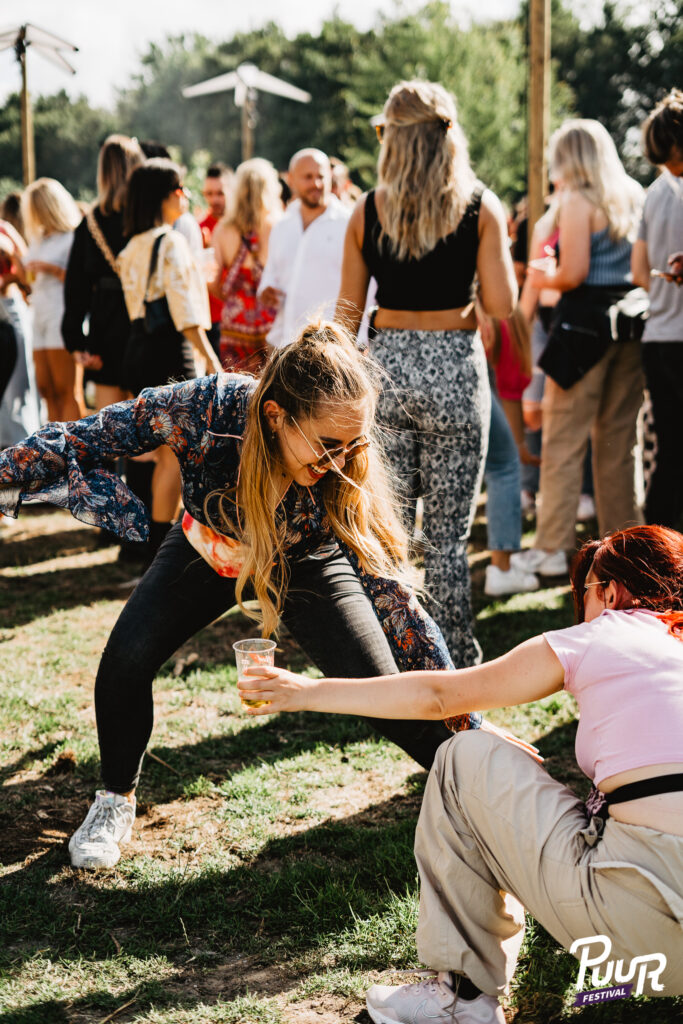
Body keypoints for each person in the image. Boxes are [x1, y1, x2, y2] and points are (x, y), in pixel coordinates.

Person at [0, 321, 464, 870]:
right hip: (208, 549)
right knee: (124, 661)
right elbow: (88, 436)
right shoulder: (208, 408)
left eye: (353, 445)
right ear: (276, 415)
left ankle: (474, 790)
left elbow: (396, 605)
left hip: (306, 561)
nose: (341, 462)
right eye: (328, 446)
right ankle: (113, 800)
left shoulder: (344, 471)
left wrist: (467, 723)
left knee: (383, 690)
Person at [240, 524, 683, 1016]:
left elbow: (439, 696)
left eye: (584, 594)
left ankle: (463, 998)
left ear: (611, 591)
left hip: (651, 927)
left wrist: (303, 693)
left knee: (461, 758)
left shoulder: (605, 633)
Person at [335, 80, 517, 665]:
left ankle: (392, 662)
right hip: (456, 373)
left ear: (392, 138)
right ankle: (454, 665)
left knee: (387, 535)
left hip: (387, 372)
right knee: (447, 543)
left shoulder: (368, 209)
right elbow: (503, 302)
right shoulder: (481, 206)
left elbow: (346, 314)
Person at [518, 119, 645, 578]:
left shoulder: (576, 200)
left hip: (582, 329)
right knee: (618, 441)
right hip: (631, 325)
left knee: (564, 439)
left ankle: (552, 546)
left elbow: (572, 274)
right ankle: (628, 545)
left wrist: (537, 277)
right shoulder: (633, 193)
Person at [118, 157, 222, 556]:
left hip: (139, 349)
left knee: (155, 452)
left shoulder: (131, 246)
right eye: (181, 190)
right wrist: (209, 357)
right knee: (174, 457)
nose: (185, 197)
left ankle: (146, 541)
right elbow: (186, 313)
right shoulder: (171, 242)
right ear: (165, 196)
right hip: (171, 354)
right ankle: (161, 549)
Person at [631, 89, 683, 529]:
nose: (670, 169)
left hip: (658, 336)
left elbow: (638, 270)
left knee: (668, 452)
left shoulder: (653, 195)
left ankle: (661, 548)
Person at [62, 134, 144, 412]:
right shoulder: (146, 218)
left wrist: (76, 340)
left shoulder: (91, 222)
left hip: (104, 323)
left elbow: (76, 286)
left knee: (109, 426)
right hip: (142, 321)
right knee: (148, 422)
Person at [259, 148, 349, 349]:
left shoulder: (347, 224)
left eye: (321, 177)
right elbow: (271, 273)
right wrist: (266, 289)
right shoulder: (282, 225)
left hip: (329, 348)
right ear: (290, 179)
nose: (316, 184)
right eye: (308, 177)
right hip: (284, 342)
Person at [209, 158, 281, 372]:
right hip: (272, 324)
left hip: (234, 325)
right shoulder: (278, 225)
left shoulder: (222, 230)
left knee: (237, 392)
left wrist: (233, 299)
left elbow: (211, 283)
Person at [21, 178, 82, 422]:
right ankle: (54, 452)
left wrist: (54, 269)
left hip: (61, 312)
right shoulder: (39, 238)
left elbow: (82, 282)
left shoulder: (72, 237)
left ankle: (76, 450)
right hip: (39, 314)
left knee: (66, 388)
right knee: (46, 389)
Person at [199, 162, 233, 355]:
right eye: (209, 194)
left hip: (239, 318)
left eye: (220, 193)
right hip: (211, 319)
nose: (214, 199)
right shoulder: (199, 227)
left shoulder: (241, 226)